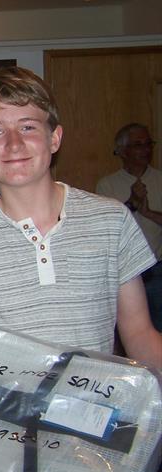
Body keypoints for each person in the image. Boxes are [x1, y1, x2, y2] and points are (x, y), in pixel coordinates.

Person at [0, 66, 162, 472]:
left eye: (28, 126)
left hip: (94, 453)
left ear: (55, 137)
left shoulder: (111, 222)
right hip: (1, 462)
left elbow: (139, 334)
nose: (13, 144)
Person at [97, 123, 162, 331]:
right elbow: (107, 226)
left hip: (158, 268)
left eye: (148, 143)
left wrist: (148, 213)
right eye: (137, 145)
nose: (145, 149)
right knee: (131, 332)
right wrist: (133, 203)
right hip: (124, 272)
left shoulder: (160, 179)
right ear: (122, 151)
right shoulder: (107, 185)